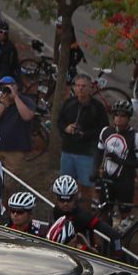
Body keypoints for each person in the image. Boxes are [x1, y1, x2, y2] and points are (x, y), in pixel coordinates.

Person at [57, 72, 110, 202]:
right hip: (68, 151)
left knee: (86, 187)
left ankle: (85, 215)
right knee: (66, 185)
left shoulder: (97, 107)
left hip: (87, 153)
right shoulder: (68, 103)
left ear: (90, 87)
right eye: (78, 85)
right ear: (74, 87)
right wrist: (66, 128)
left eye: (84, 86)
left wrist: (85, 134)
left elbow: (103, 128)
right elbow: (59, 121)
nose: (80, 88)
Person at [0, 75, 36, 171]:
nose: (6, 90)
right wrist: (2, 106)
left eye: (9, 87)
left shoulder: (26, 100)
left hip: (16, 150)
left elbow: (27, 116)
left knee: (12, 181)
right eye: (3, 87)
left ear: (15, 86)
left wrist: (15, 97)